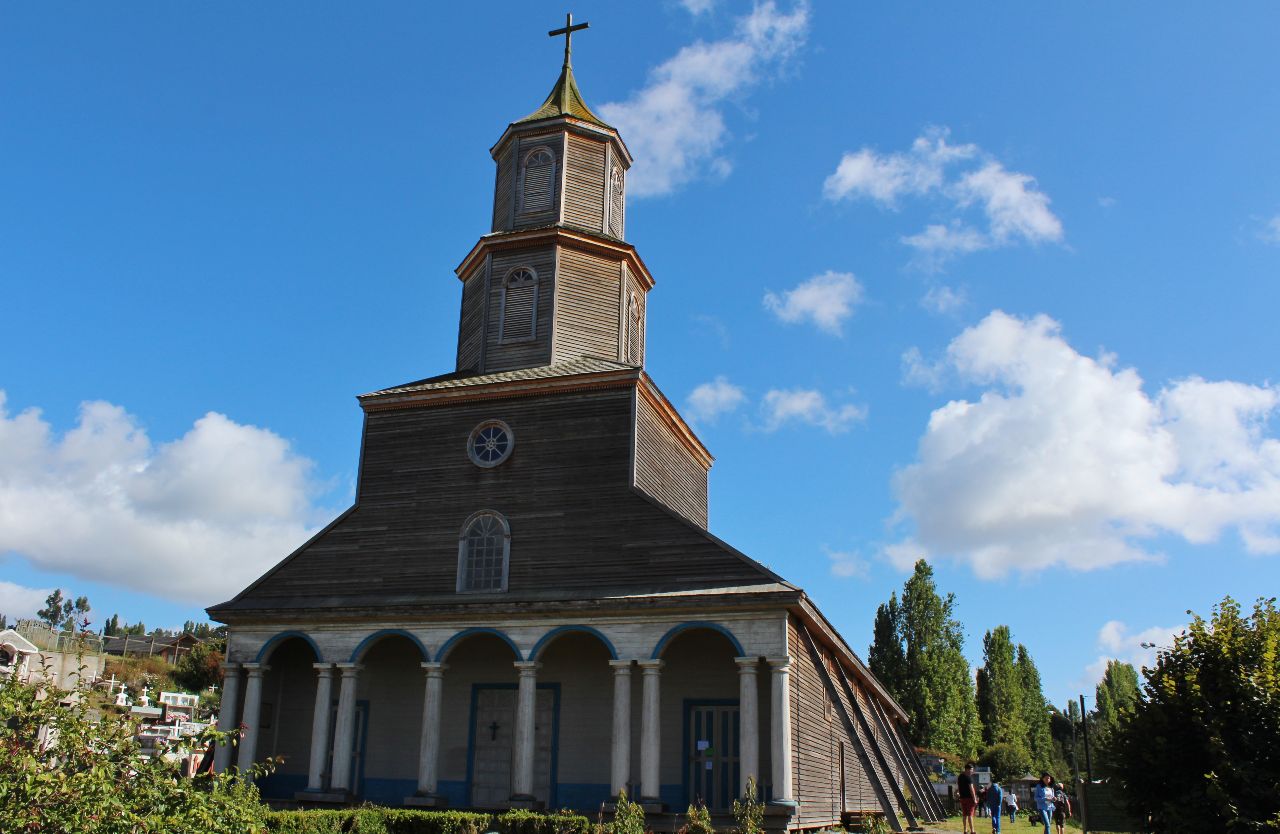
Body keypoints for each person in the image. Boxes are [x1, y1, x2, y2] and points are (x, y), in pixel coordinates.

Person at [958, 762, 979, 834]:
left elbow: (959, 786)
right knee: (970, 814)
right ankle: (972, 831)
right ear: (967, 769)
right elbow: (971, 789)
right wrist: (975, 799)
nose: (972, 771)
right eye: (971, 770)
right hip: (969, 798)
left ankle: (965, 830)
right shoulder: (968, 777)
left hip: (962, 798)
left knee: (964, 815)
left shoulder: (960, 776)